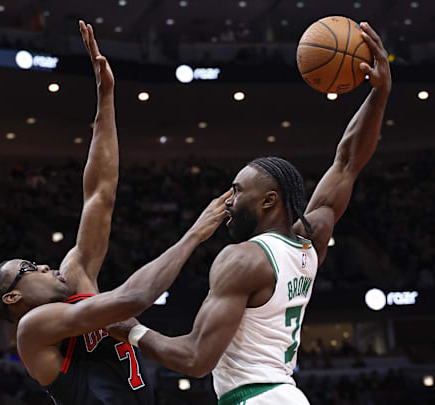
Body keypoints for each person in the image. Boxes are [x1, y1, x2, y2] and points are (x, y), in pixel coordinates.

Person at [107, 22, 392, 405]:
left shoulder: (242, 259)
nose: (228, 199)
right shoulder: (310, 240)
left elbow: (195, 359)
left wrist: (132, 331)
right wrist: (379, 94)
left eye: (238, 191)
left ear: (269, 201)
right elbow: (346, 163)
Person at [0, 21, 231, 405]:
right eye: (31, 267)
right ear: (12, 297)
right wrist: (194, 234)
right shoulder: (32, 329)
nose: (45, 266)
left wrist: (106, 98)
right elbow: (135, 297)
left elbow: (100, 193)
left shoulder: (76, 274)